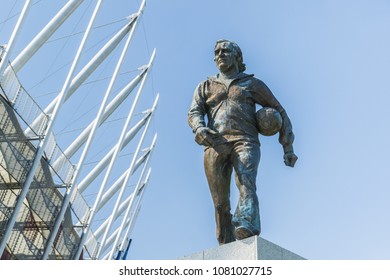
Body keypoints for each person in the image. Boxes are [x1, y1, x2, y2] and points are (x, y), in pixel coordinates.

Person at [188, 39, 298, 244]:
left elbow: (280, 110)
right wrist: (199, 127)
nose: (220, 54)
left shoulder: (252, 84)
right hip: (215, 144)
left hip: (245, 141)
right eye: (216, 52)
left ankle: (247, 223)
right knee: (220, 203)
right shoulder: (206, 86)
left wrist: (287, 147)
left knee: (246, 182)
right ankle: (227, 241)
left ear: (237, 57)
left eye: (225, 51)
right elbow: (194, 111)